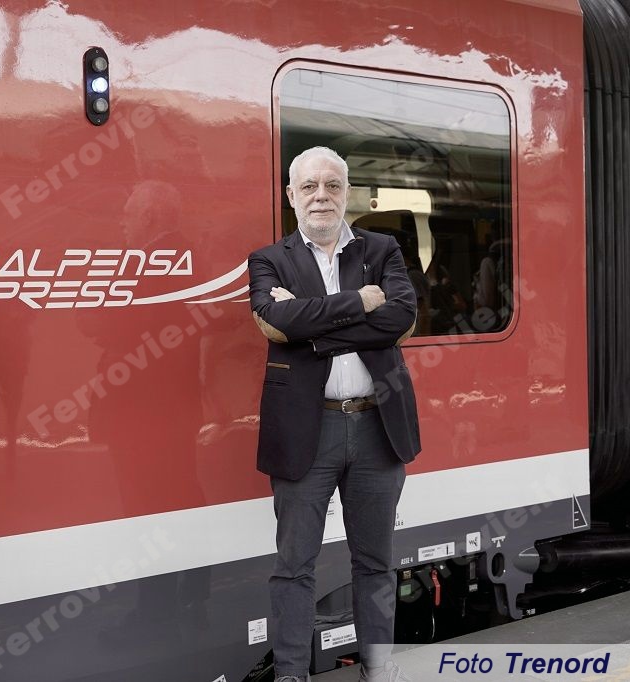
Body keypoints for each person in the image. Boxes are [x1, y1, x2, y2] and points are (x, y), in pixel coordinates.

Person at [248, 147, 420, 682]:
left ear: (347, 193)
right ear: (291, 195)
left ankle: (378, 669)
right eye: (309, 186)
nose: (320, 196)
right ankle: (292, 675)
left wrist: (314, 331)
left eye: (331, 185)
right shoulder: (268, 260)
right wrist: (359, 302)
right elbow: (277, 322)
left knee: (375, 563)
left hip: (377, 428)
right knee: (293, 567)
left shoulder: (382, 249)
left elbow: (402, 317)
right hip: (306, 429)